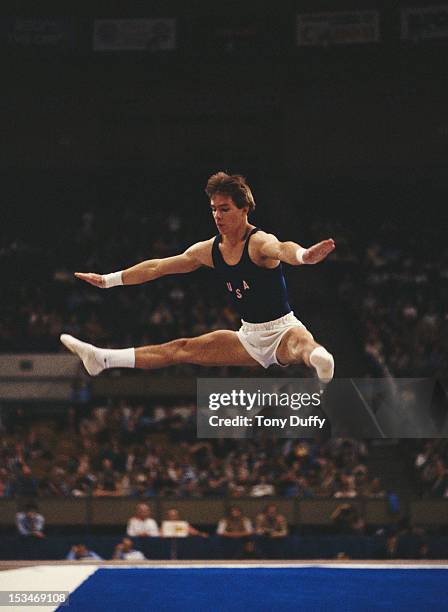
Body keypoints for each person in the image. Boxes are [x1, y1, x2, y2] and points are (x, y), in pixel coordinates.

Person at [60, 173, 335, 382]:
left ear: (244, 209)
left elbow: (282, 248)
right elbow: (158, 267)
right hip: (248, 337)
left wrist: (303, 256)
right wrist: (109, 279)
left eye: (224, 209)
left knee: (301, 344)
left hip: (282, 330)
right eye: (214, 209)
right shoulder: (209, 250)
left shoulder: (258, 242)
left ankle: (319, 358)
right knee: (180, 349)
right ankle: (102, 359)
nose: (217, 215)